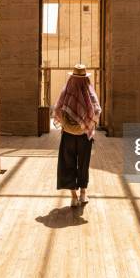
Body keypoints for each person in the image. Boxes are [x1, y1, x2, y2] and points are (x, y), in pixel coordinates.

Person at [53, 64, 102, 207]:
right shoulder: (90, 91)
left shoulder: (67, 90)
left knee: (68, 163)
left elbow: (58, 109)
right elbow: (97, 111)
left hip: (68, 135)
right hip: (84, 135)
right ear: (85, 78)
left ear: (72, 78)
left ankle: (73, 197)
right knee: (83, 164)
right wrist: (86, 124)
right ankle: (83, 194)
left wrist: (67, 123)